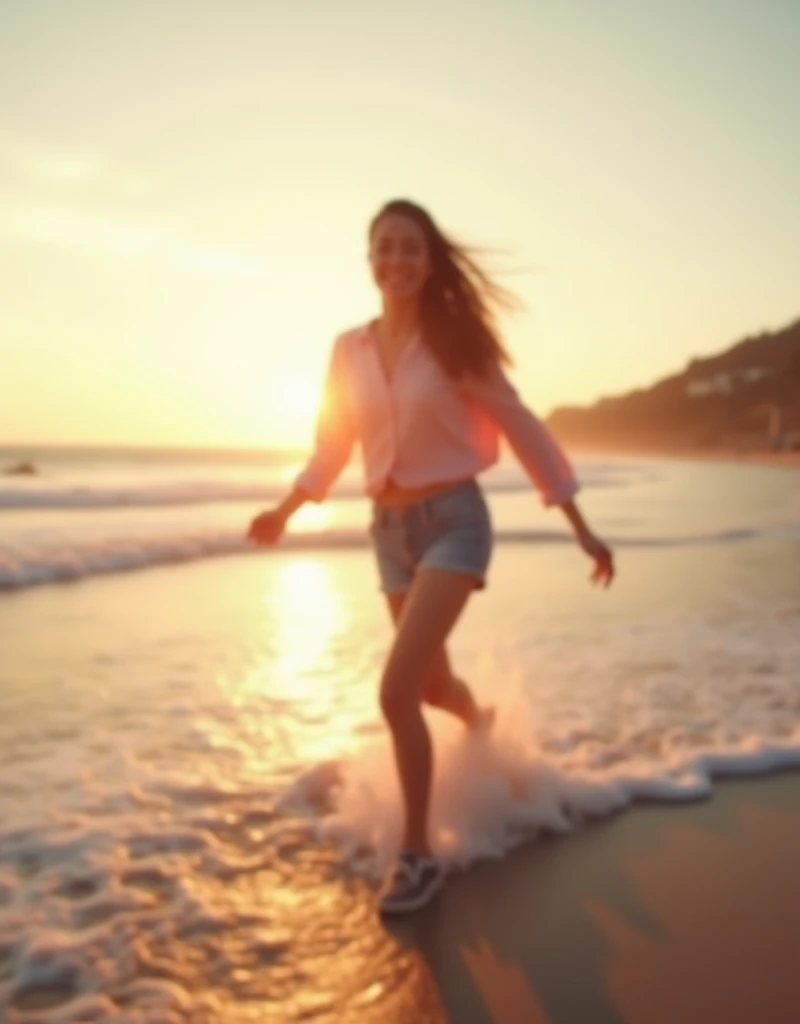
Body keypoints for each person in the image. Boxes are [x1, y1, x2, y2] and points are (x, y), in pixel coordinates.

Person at [248, 199, 614, 915]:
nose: (397, 261)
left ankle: (417, 856)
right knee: (427, 690)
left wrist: (579, 523)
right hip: (388, 533)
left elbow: (520, 425)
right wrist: (285, 510)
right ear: (370, 258)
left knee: (392, 692)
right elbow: (333, 443)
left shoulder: (456, 342)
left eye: (411, 249)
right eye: (385, 248)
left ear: (430, 260)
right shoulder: (347, 350)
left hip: (455, 522)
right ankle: (479, 728)